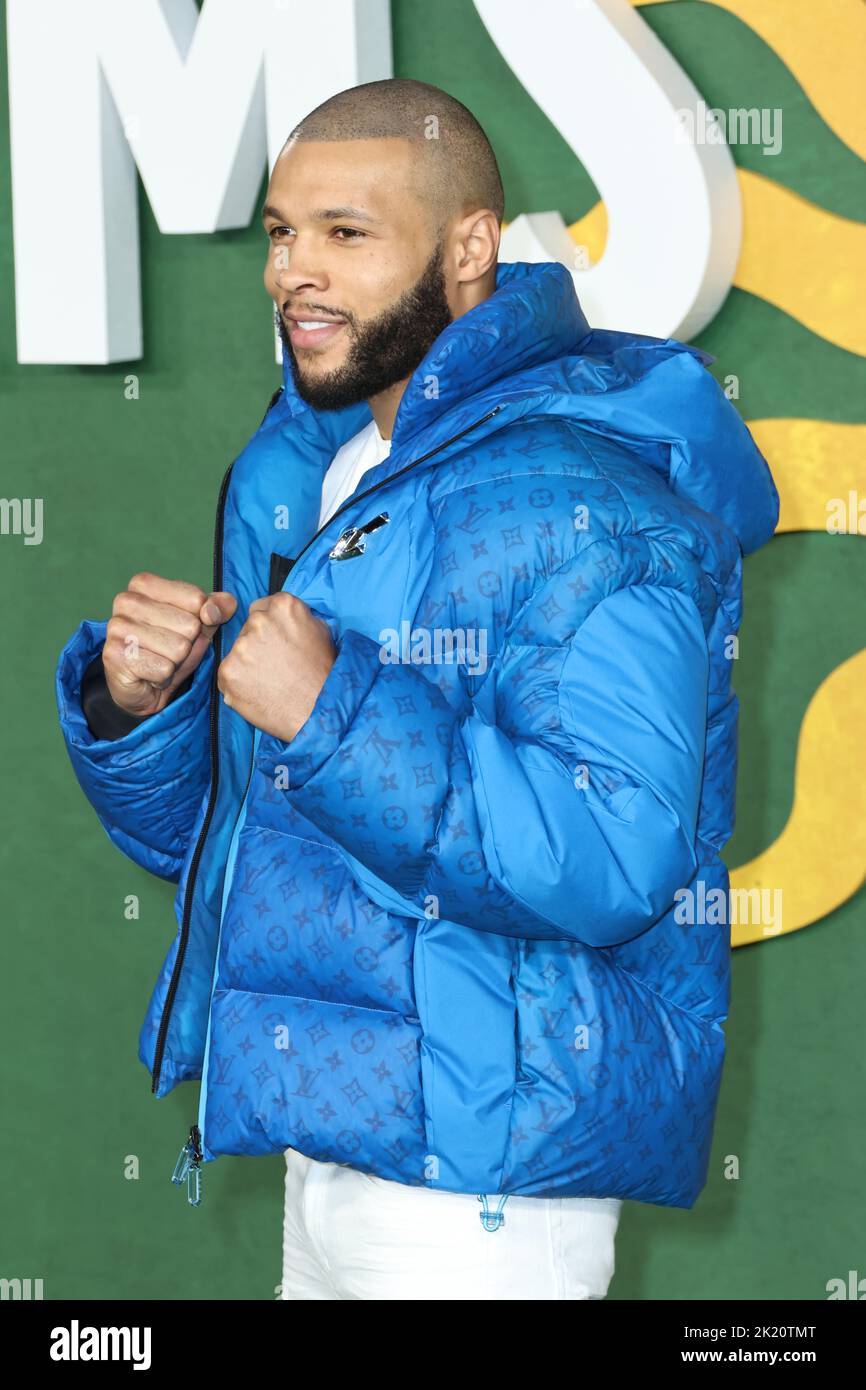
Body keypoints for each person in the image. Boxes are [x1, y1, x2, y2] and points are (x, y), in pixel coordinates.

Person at [55, 77, 779, 1301]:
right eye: (282, 234)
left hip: (484, 1189)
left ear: (469, 248)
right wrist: (148, 708)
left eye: (347, 233)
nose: (296, 271)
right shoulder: (321, 471)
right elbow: (245, 843)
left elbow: (613, 855)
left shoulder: (588, 495)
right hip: (331, 1141)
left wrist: (329, 711)